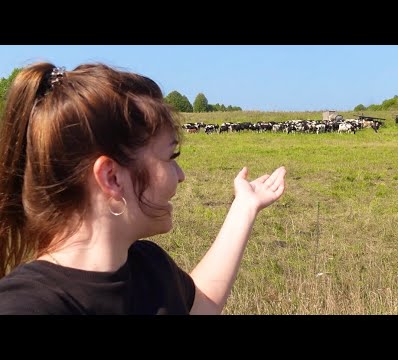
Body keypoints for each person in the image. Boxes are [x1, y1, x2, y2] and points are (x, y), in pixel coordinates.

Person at [0, 62, 286, 314]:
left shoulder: (152, 268)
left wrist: (244, 208)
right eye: (170, 158)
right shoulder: (26, 306)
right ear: (112, 178)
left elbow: (203, 303)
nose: (181, 175)